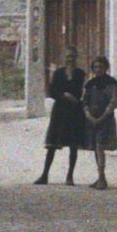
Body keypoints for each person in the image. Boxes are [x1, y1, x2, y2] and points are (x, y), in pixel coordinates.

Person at [35, 48, 88, 185]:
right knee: (52, 144)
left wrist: (76, 99)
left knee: (73, 145)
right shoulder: (58, 73)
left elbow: (80, 92)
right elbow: (52, 91)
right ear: (64, 58)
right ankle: (45, 174)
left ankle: (70, 176)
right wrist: (64, 95)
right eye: (68, 57)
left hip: (74, 112)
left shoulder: (80, 74)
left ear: (76, 58)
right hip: (60, 111)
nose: (70, 59)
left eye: (72, 57)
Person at [82, 55, 117, 190]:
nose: (98, 70)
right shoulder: (90, 84)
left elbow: (113, 102)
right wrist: (88, 115)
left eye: (101, 67)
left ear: (106, 68)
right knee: (95, 148)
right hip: (92, 119)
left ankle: (102, 177)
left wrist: (102, 117)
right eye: (95, 67)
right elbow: (85, 101)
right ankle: (100, 177)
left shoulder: (112, 84)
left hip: (105, 120)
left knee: (100, 147)